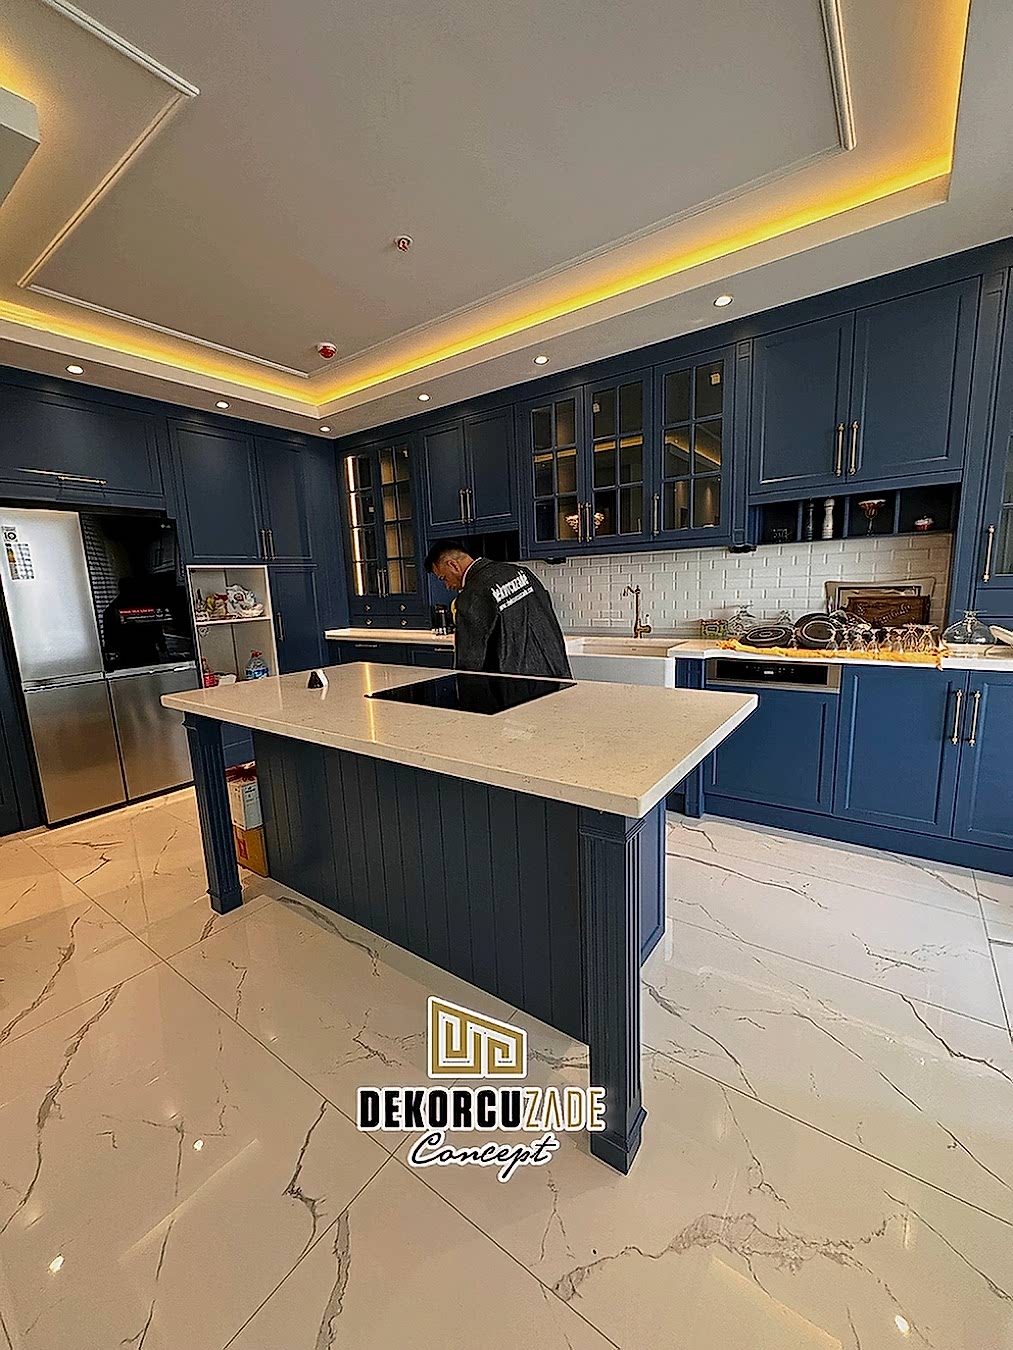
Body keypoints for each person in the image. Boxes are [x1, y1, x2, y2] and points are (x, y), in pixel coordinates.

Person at [424, 542, 572, 679]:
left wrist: (466, 690)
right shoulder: (521, 572)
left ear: (453, 565)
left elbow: (470, 660)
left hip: (516, 685)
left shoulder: (472, 597)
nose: (447, 585)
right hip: (554, 671)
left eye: (444, 578)